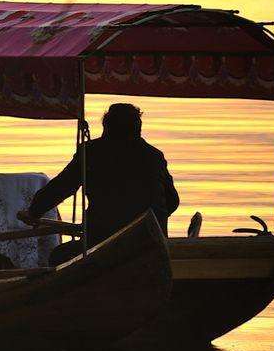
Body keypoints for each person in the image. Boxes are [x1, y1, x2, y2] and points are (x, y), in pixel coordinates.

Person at [20, 103, 180, 254]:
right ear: (138, 127)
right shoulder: (154, 156)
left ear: (106, 126)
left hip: (104, 243)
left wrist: (34, 211)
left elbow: (61, 187)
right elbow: (172, 201)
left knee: (57, 255)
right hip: (151, 242)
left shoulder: (91, 153)